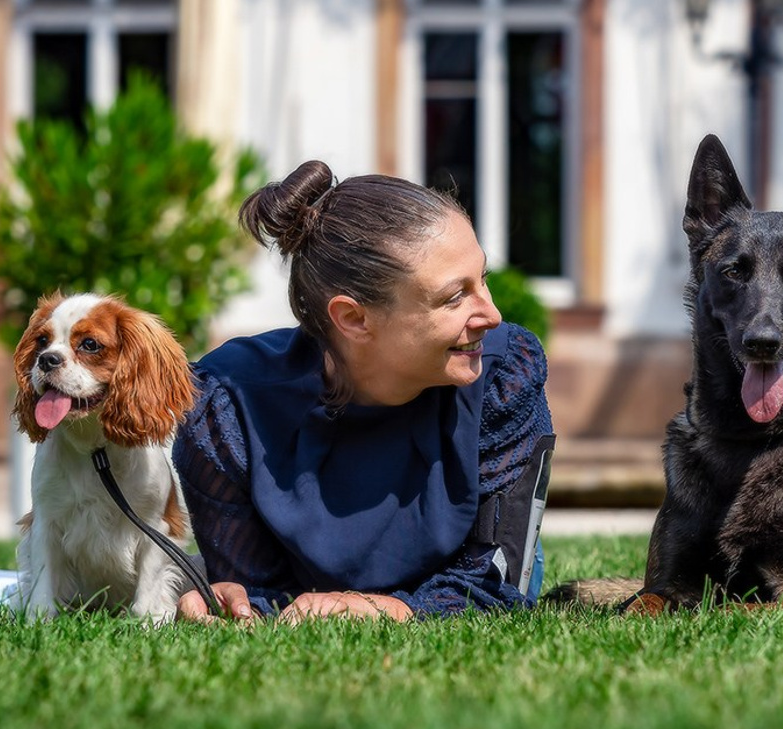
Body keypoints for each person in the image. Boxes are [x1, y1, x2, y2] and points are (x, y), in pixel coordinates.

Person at [173, 160, 555, 623]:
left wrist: (393, 609)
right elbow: (253, 590)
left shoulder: (505, 373)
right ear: (354, 318)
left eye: (483, 279)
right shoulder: (227, 404)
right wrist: (234, 597)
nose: (492, 315)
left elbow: (499, 579)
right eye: (455, 297)